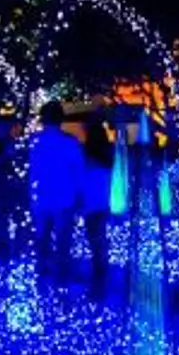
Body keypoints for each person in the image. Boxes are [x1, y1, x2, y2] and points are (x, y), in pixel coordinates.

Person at [28, 102, 85, 279]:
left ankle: (42, 272)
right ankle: (61, 274)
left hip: (41, 198)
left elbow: (30, 171)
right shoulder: (70, 143)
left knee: (42, 238)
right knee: (63, 240)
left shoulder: (34, 142)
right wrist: (79, 196)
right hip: (64, 198)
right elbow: (79, 173)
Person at [79, 118, 115, 297]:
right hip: (102, 199)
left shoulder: (86, 155)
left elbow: (82, 178)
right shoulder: (106, 153)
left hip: (90, 201)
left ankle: (99, 270)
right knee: (99, 236)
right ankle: (101, 268)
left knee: (94, 236)